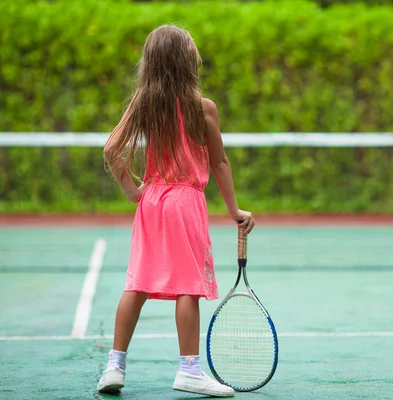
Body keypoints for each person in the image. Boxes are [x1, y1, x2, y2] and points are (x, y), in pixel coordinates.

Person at [98, 24, 255, 397]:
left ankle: (114, 367)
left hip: (151, 202)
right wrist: (234, 210)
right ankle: (189, 370)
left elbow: (110, 150)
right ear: (189, 62)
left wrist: (135, 193)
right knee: (188, 288)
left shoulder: (143, 102)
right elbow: (219, 163)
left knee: (136, 284)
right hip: (185, 204)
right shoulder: (203, 108)